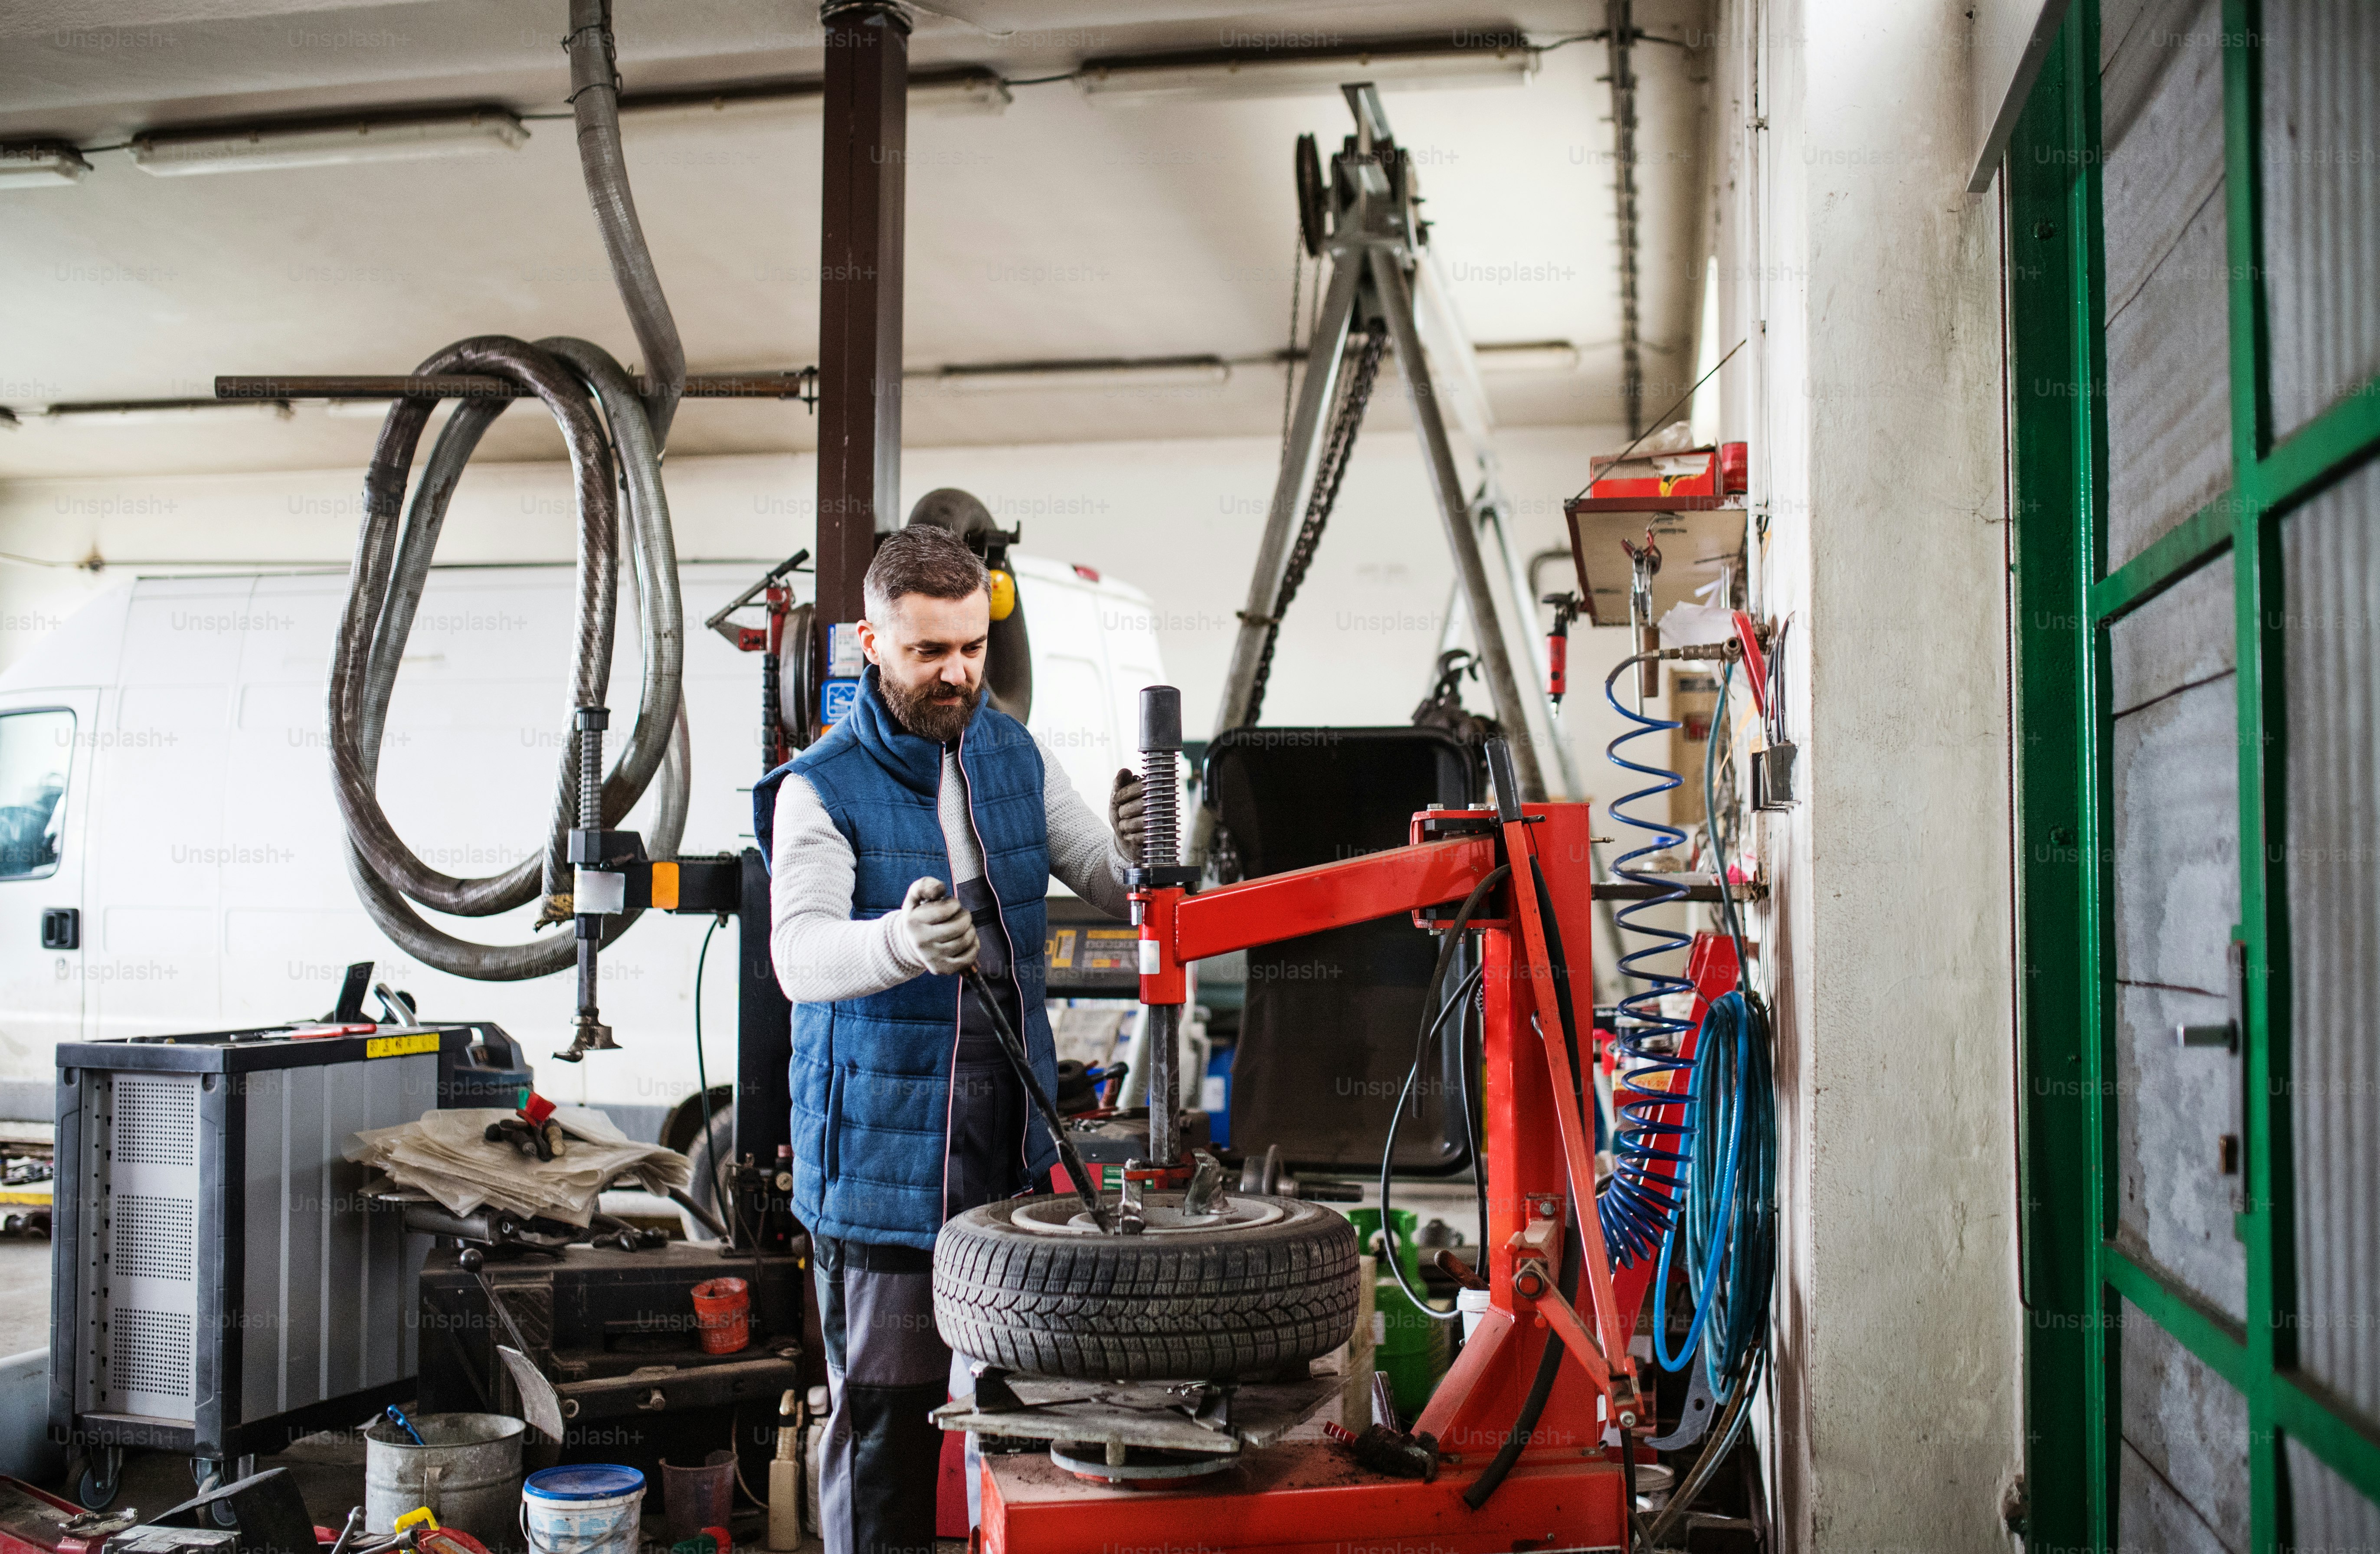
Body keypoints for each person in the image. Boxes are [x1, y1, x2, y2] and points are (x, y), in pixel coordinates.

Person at [753, 522, 1146, 1554]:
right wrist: (897, 941)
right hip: (883, 1149)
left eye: (970, 647)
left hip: (1006, 1134)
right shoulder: (821, 786)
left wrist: (1144, 852)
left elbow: (1102, 875)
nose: (956, 672)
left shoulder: (1008, 752)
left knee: (1011, 1405)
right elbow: (799, 956)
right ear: (871, 645)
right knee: (886, 1414)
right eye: (929, 651)